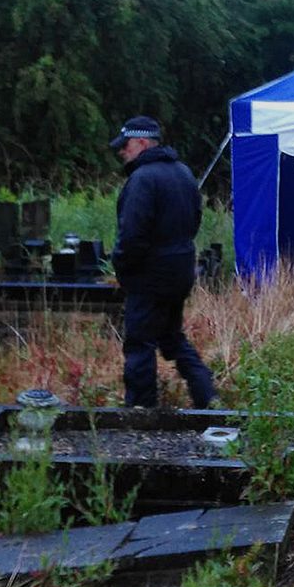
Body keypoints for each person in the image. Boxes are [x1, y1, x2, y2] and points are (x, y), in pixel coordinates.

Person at [109, 116, 217, 409]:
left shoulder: (143, 179)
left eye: (126, 145)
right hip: (180, 272)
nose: (122, 152)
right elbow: (194, 222)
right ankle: (208, 396)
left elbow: (132, 235)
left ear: (142, 143)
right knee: (171, 338)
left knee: (140, 343)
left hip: (149, 276)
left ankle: (141, 413)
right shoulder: (183, 173)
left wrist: (121, 267)